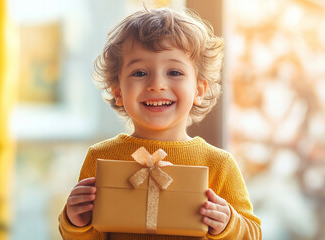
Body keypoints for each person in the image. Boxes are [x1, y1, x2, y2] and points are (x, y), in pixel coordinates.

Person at [58, 7, 261, 240]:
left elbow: (253, 233)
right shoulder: (100, 157)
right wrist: (75, 222)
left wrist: (229, 224)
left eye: (174, 71)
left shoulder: (219, 164)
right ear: (118, 91)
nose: (157, 84)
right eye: (139, 73)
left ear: (199, 90)